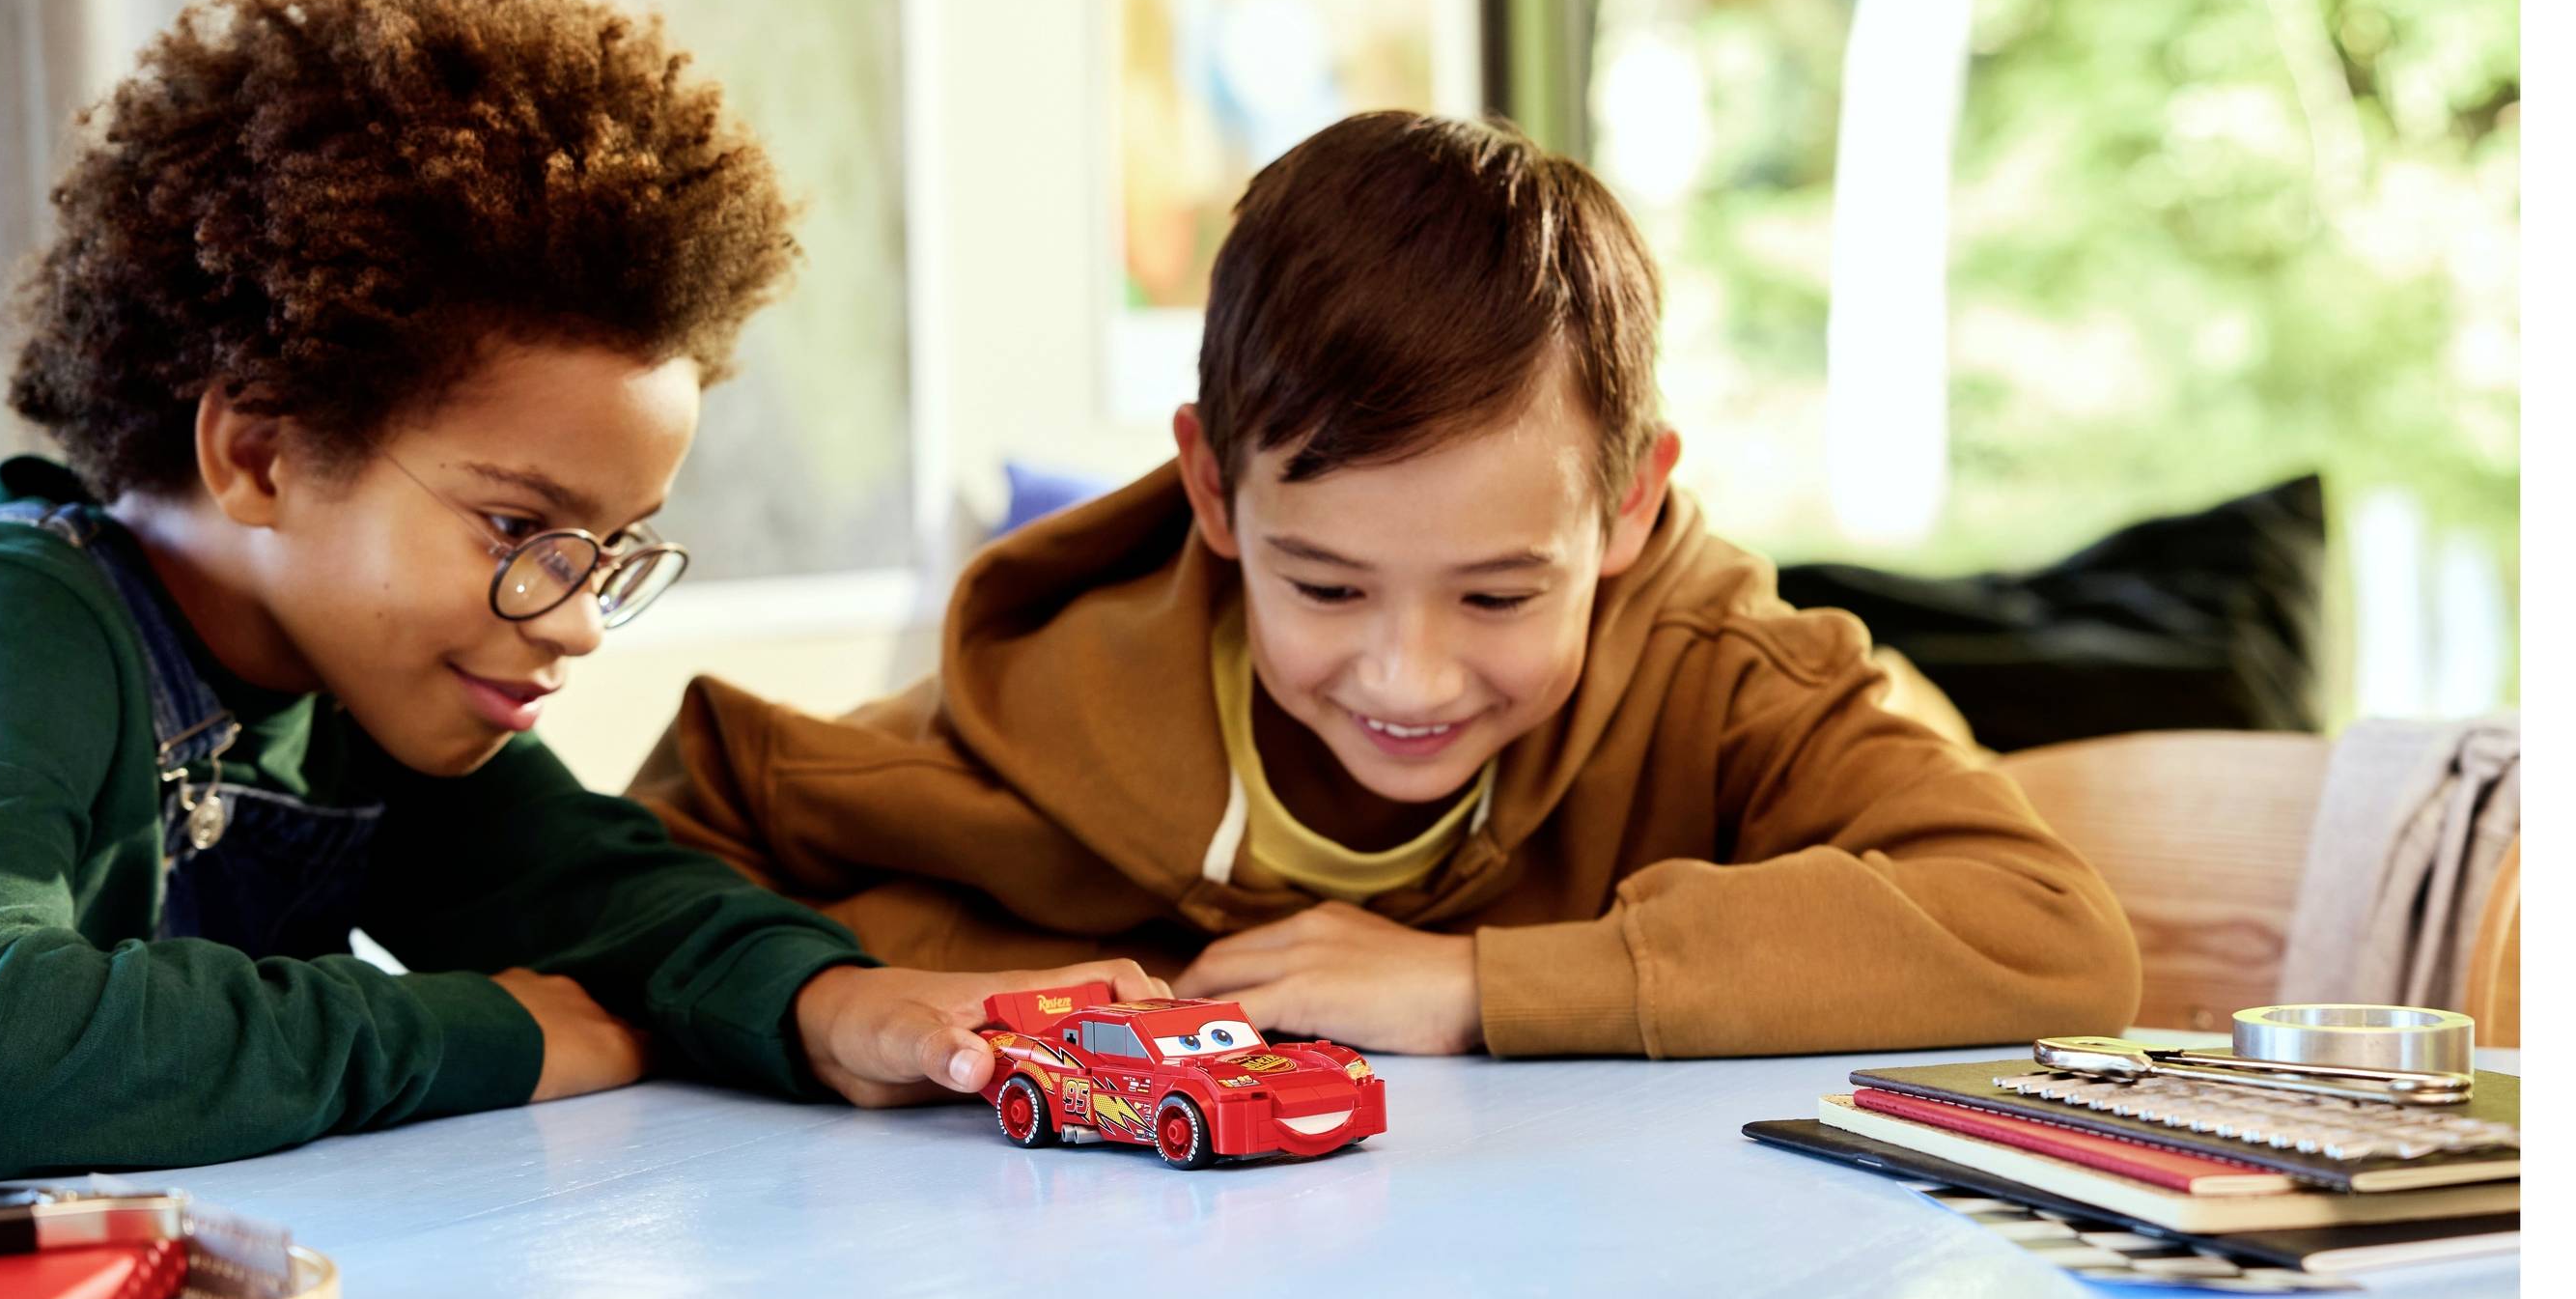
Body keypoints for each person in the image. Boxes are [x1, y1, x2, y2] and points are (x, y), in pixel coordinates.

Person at [0, 0, 1149, 1216]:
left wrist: (833, 1001)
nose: (579, 620)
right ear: (261, 450)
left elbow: (599, 897)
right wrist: (492, 1032)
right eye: (520, 527)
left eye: (606, 548)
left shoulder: (359, 690)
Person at [638, 110, 2140, 1060]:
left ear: (1629, 503)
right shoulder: (1053, 693)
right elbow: (664, 852)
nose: (1411, 677)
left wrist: (1484, 985)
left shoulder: (1725, 670)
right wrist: (847, 999)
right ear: (1216, 492)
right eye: (1330, 589)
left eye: (1497, 597)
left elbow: (2044, 928)